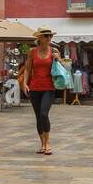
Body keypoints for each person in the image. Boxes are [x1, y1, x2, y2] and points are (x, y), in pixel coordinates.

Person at [19, 27, 63, 155]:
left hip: (49, 87)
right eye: (46, 36)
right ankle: (42, 144)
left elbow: (62, 68)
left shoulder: (54, 51)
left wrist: (58, 59)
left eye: (50, 36)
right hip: (34, 88)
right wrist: (25, 84)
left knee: (44, 113)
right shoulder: (32, 52)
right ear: (39, 38)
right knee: (38, 116)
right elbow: (27, 69)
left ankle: (48, 143)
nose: (49, 38)